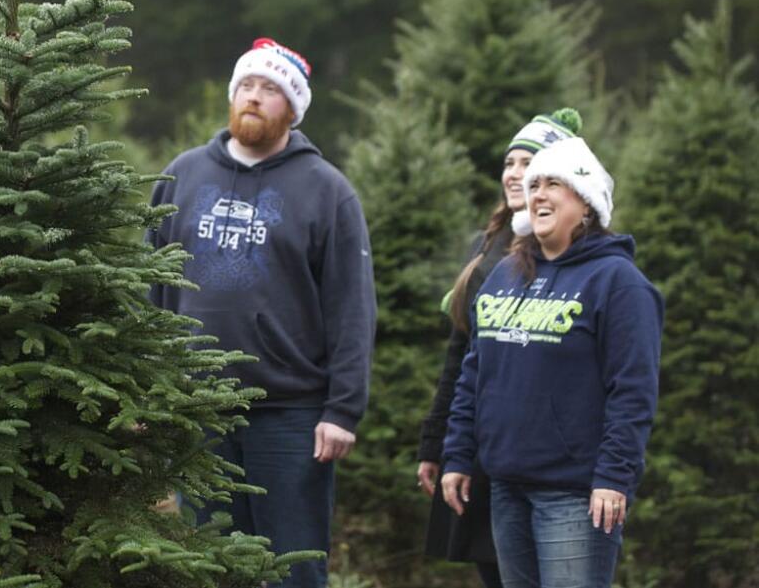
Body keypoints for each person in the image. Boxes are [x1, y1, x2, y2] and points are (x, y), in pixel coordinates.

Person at [147, 38, 378, 588]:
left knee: (293, 568)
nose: (254, 98)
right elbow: (150, 288)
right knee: (212, 565)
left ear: (293, 109)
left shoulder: (327, 192)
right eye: (246, 86)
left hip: (292, 415)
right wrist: (151, 389)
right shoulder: (182, 175)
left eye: (270, 90)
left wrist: (342, 410)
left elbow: (352, 306)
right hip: (198, 409)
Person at [441, 137, 663, 588]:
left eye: (554, 183)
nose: (538, 192)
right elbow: (473, 375)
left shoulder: (619, 283)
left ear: (587, 204)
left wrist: (613, 477)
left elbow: (633, 392)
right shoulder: (505, 275)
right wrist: (458, 455)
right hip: (506, 486)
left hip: (576, 495)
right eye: (534, 183)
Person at [415, 109, 582, 588]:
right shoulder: (486, 244)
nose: (515, 174)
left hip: (542, 451)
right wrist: (439, 444)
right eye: (510, 162)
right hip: (483, 442)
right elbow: (460, 354)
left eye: (529, 163)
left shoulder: (569, 252)